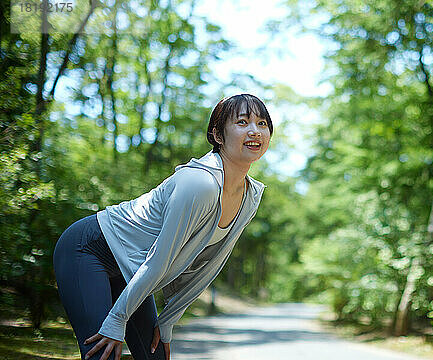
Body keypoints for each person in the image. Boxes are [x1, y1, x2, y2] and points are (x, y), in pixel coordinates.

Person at [53, 94, 272, 360]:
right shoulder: (199, 183)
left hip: (133, 268)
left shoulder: (250, 196)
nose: (254, 130)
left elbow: (210, 266)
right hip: (89, 250)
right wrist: (117, 319)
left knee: (155, 356)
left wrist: (168, 321)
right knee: (103, 354)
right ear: (217, 135)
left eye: (262, 123)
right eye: (242, 122)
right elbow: (160, 258)